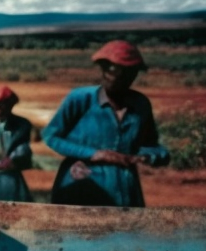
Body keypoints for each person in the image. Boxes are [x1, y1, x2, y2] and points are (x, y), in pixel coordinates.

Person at [43, 40, 169, 207]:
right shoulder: (81, 98)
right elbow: (51, 136)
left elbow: (152, 145)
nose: (111, 77)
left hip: (123, 187)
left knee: (125, 231)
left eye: (123, 73)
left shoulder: (141, 104)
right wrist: (94, 154)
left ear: (134, 74)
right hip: (82, 183)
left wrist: (148, 156)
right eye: (107, 70)